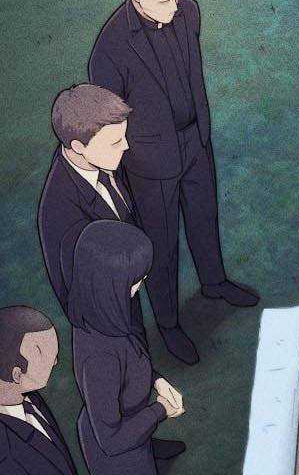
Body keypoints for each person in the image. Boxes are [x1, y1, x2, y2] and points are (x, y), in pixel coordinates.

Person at [89, 0, 258, 365]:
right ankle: (168, 323)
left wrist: (199, 131)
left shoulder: (189, 13)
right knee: (161, 243)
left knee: (204, 216)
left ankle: (214, 282)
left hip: (195, 141)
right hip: (150, 161)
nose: (175, 6)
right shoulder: (110, 47)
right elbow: (109, 119)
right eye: (164, 1)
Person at [69, 220, 186, 475]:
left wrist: (156, 380)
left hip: (132, 434)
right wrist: (160, 410)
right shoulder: (100, 356)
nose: (140, 285)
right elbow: (112, 440)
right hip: (121, 458)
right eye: (134, 280)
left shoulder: (103, 318)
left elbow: (131, 362)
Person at [38, 84, 149, 340]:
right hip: (110, 326)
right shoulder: (61, 212)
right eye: (115, 142)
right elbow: (85, 299)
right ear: (78, 146)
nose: (126, 146)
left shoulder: (101, 161)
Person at [0, 306, 78, 475]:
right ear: (17, 375)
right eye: (44, 354)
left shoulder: (31, 397)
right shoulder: (7, 454)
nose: (55, 362)